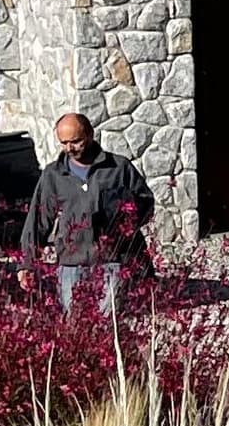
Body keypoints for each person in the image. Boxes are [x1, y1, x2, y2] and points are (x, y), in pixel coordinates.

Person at [21, 110, 153, 319]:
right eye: (63, 143)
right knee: (75, 326)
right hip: (71, 263)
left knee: (110, 324)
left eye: (75, 142)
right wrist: (28, 263)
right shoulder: (53, 175)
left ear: (90, 134)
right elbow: (38, 220)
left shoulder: (118, 168)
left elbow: (146, 201)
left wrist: (123, 223)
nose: (69, 148)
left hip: (112, 261)